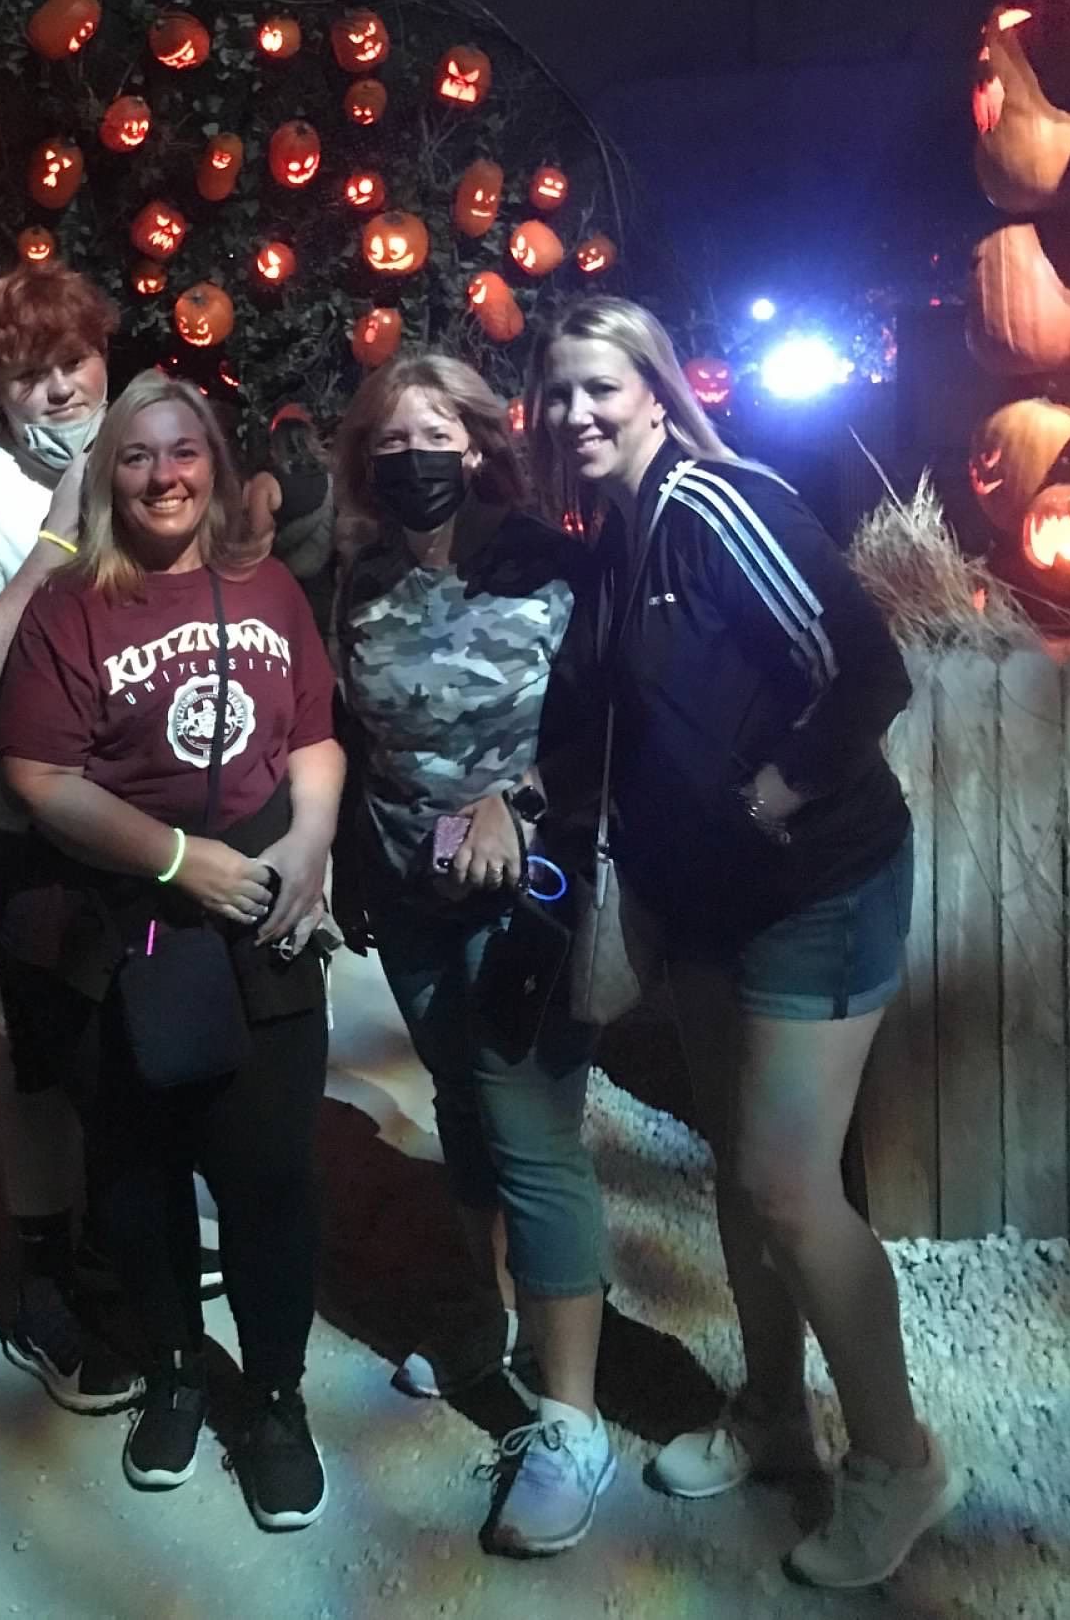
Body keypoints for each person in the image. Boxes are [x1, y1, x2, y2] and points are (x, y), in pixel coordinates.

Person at [530, 295, 965, 1591]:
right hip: (701, 900)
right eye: (557, 394)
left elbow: (866, 668)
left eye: (601, 387)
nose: (577, 413)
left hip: (811, 889)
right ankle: (773, 1408)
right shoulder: (613, 533)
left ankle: (896, 1457)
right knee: (740, 1166)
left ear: (658, 391)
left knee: (786, 1182)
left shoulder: (722, 505)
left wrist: (777, 790)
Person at [0, 371, 345, 1531]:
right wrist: (171, 859)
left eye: (182, 450)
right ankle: (177, 1374)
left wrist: (311, 842)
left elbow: (314, 734)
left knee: (267, 1182)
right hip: (127, 920)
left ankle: (279, 1399)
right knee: (137, 1178)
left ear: (214, 462)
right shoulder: (70, 608)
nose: (162, 475)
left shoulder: (268, 588)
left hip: (263, 908)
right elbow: (37, 777)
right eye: (136, 456)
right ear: (107, 475)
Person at [330, 352, 612, 1558]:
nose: (414, 456)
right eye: (391, 439)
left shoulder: (548, 561)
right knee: (459, 1102)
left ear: (482, 441)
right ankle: (476, 1317)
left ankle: (570, 1420)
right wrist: (348, 869)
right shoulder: (356, 578)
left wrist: (525, 800)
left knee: (532, 1130)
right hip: (408, 891)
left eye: (437, 431)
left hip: (524, 895)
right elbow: (347, 734)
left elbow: (610, 723)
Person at [0, 260, 143, 1415]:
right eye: (28, 373)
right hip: (26, 820)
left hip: (143, 813)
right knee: (50, 1059)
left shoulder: (152, 455)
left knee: (142, 1034)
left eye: (71, 362)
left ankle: (130, 1235)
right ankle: (47, 1277)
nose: (59, 390)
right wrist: (55, 538)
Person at [243, 407, 337, 638]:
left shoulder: (267, 483)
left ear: (276, 444)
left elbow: (258, 538)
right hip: (321, 587)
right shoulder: (330, 480)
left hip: (279, 587)